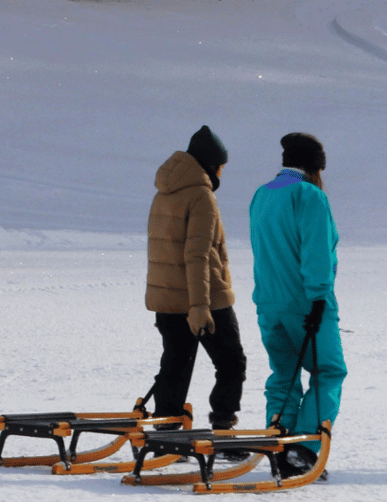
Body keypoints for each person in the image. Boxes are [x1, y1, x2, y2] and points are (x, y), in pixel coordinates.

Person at [249, 132, 347, 478]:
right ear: (315, 167)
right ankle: (303, 449)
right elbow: (317, 253)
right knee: (329, 370)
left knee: (285, 374)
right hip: (306, 303)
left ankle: (279, 441)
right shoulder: (309, 196)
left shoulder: (262, 194)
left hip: (268, 302)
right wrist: (320, 297)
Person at [145, 125, 246, 432]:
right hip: (204, 298)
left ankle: (166, 432)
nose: (222, 173)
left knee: (175, 367)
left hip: (168, 299)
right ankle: (223, 425)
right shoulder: (201, 196)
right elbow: (197, 255)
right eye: (221, 166)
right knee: (231, 363)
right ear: (210, 163)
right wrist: (200, 307)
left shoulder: (165, 192)